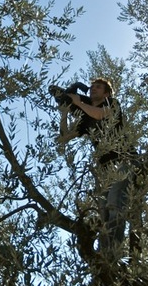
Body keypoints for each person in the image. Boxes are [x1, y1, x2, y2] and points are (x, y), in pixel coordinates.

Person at [54, 78, 135, 261]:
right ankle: (104, 256)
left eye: (98, 88)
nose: (92, 90)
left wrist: (78, 101)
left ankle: (112, 255)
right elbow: (65, 137)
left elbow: (100, 115)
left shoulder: (112, 104)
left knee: (115, 205)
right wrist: (65, 113)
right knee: (103, 212)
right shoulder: (85, 116)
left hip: (123, 160)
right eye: (91, 88)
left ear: (106, 93)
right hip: (104, 168)